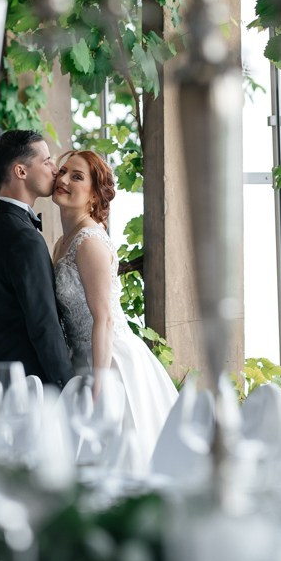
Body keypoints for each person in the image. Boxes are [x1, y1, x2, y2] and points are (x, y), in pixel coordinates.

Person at [52, 149, 177, 464]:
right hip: (78, 359)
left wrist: (100, 384)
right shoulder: (61, 243)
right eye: (63, 171)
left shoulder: (89, 242)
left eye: (76, 176)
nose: (63, 179)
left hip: (109, 361)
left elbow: (104, 319)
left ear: (94, 195)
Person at [0, 129, 73, 389]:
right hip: (30, 387)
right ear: (21, 171)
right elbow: (44, 324)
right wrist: (68, 387)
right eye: (47, 161)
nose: (55, 170)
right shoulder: (23, 237)